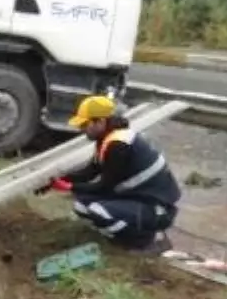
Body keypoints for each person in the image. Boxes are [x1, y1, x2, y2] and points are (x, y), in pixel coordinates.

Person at [43, 95, 181, 251]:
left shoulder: (118, 145)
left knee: (98, 211)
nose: (81, 129)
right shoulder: (107, 138)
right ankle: (118, 236)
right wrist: (58, 180)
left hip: (157, 209)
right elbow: (91, 171)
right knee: (81, 205)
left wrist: (70, 187)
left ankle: (143, 242)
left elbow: (104, 187)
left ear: (100, 121)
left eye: (85, 124)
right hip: (139, 197)